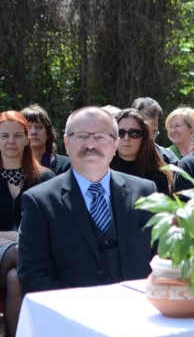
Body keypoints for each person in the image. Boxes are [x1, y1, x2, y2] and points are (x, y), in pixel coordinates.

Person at [18, 106, 157, 295]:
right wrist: (87, 306)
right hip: (74, 316)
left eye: (100, 136)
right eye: (81, 136)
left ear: (115, 144)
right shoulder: (39, 201)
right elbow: (33, 276)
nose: (91, 145)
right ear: (66, 142)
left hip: (140, 311)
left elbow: (162, 259)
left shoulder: (145, 192)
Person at [0, 112, 54, 337]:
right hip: (21, 255)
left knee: (16, 278)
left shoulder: (45, 178)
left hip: (32, 256)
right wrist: (14, 235)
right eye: (4, 136)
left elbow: (52, 224)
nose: (10, 141)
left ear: (26, 139)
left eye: (16, 135)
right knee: (20, 251)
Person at [110, 109, 173, 195]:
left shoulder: (158, 175)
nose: (126, 138)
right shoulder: (101, 172)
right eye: (120, 133)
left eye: (134, 133)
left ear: (144, 137)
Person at [21, 104, 71, 175]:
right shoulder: (11, 167)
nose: (33, 132)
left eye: (39, 127)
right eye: (28, 128)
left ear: (48, 133)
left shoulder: (65, 166)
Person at [131, 97, 179, 166]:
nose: (148, 138)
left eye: (153, 132)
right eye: (144, 131)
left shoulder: (169, 160)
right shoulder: (115, 157)